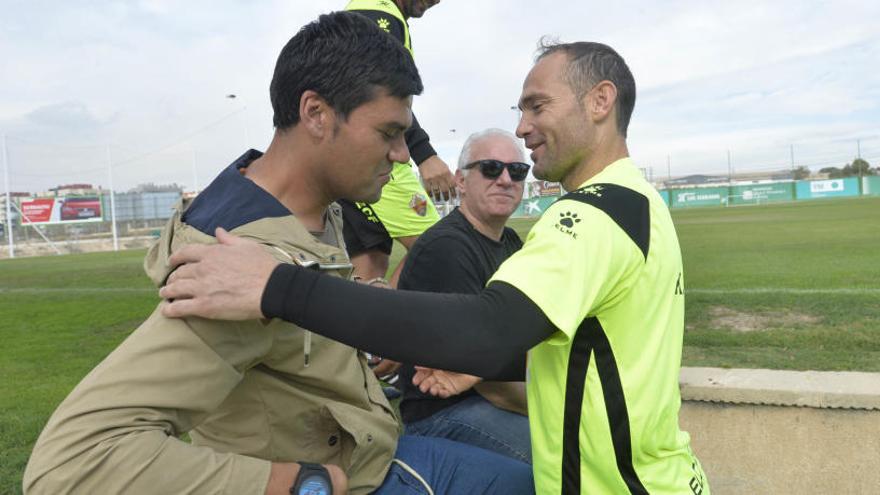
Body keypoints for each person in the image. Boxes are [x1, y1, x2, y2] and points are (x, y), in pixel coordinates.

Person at [160, 41, 711, 494]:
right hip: (664, 475)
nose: (522, 126)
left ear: (600, 101)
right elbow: (595, 342)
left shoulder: (588, 214)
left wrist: (276, 286)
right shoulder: (641, 203)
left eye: (536, 106)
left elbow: (488, 330)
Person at [23, 12, 534, 495]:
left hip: (381, 451)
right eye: (388, 133)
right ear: (315, 113)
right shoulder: (237, 263)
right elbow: (71, 461)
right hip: (356, 480)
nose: (402, 155)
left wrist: (358, 328)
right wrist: (295, 484)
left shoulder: (314, 209)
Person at [397, 128, 531, 464]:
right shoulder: (448, 248)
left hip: (492, 397)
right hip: (443, 413)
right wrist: (556, 406)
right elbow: (492, 385)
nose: (505, 179)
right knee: (568, 451)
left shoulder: (512, 243)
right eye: (490, 168)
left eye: (517, 171)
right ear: (460, 181)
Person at [340, 0, 455, 287]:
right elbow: (382, 93)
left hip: (353, 155)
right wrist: (425, 154)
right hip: (378, 158)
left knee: (369, 259)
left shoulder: (368, 10)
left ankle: (358, 327)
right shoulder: (380, 14)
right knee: (437, 248)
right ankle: (388, 322)